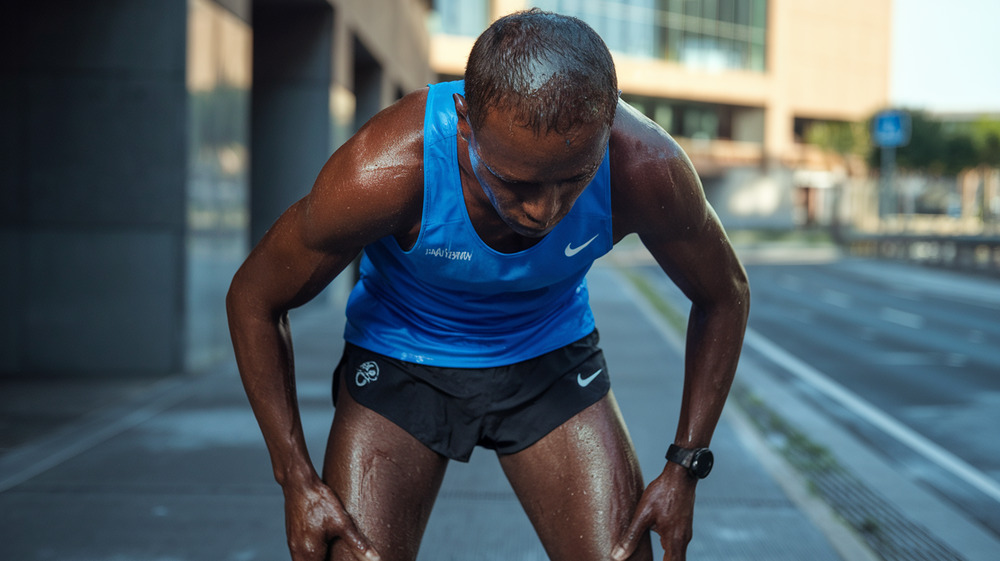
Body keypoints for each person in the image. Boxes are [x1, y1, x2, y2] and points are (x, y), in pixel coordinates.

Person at [226, 9, 748, 561]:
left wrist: (685, 466)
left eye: (574, 179)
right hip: (402, 359)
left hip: (549, 359)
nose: (545, 211)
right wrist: (297, 480)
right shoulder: (385, 173)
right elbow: (254, 298)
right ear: (465, 120)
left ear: (606, 129)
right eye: (516, 183)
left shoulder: (645, 166)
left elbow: (725, 294)